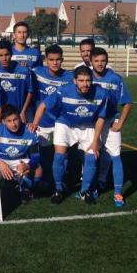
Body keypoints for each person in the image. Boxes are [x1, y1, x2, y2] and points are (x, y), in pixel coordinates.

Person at [39, 66, 109, 204]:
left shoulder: (102, 93)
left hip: (88, 126)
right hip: (65, 124)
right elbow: (43, 105)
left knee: (91, 158)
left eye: (88, 80)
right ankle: (58, 190)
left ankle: (84, 191)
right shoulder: (64, 90)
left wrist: (95, 141)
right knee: (59, 156)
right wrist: (35, 122)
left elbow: (101, 118)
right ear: (74, 81)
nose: (85, 84)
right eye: (81, 80)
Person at [90, 47, 133, 208]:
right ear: (91, 62)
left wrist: (120, 122)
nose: (100, 64)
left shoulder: (115, 78)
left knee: (115, 156)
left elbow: (127, 102)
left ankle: (118, 192)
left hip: (109, 122)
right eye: (96, 61)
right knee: (91, 156)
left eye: (103, 61)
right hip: (91, 123)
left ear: (107, 61)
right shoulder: (86, 77)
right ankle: (93, 187)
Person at [0, 104, 42, 203]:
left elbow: (36, 156)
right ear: (3, 121)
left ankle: (25, 188)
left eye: (15, 119)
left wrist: (27, 165)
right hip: (0, 160)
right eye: (9, 121)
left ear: (20, 118)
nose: (13, 124)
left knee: (38, 169)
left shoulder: (30, 131)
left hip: (19, 160)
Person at [29, 45, 74, 151]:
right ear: (46, 60)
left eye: (58, 59)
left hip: (62, 121)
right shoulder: (36, 72)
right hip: (42, 121)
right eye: (51, 60)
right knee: (44, 153)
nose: (55, 63)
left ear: (62, 60)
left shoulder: (70, 77)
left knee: (63, 153)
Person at [0, 39, 34, 123]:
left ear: (12, 54)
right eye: (1, 55)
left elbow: (30, 91)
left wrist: (23, 111)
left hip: (17, 114)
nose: (4, 58)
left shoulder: (23, 70)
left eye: (7, 54)